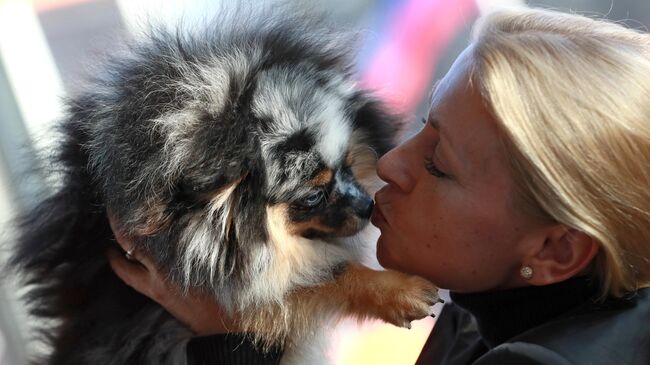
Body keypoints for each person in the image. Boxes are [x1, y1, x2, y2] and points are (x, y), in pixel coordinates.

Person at [108, 7, 650, 364]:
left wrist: (233, 336)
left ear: (556, 250)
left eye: (439, 164)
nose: (390, 164)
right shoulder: (489, 306)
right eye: (422, 128)